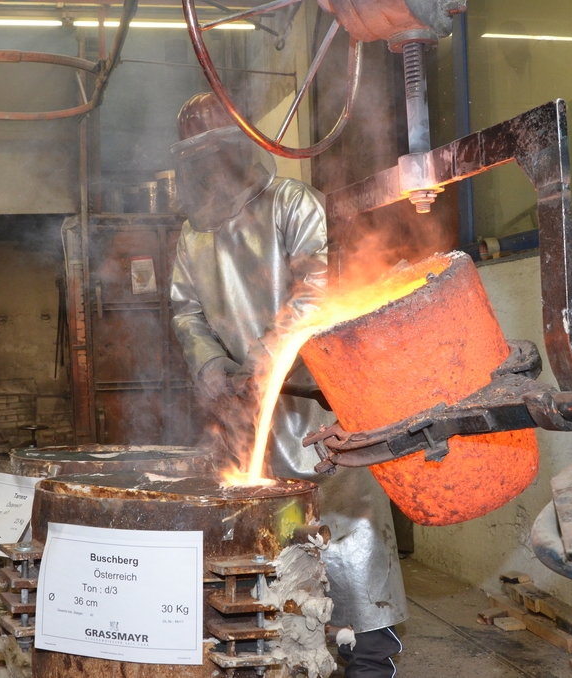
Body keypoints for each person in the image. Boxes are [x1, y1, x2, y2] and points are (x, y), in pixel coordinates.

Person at [169, 93, 408, 678]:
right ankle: (272, 650)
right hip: (246, 418)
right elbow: (185, 311)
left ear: (239, 147)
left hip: (317, 404)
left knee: (346, 526)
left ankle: (371, 655)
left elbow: (314, 289)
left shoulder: (290, 203)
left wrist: (265, 361)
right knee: (265, 540)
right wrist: (209, 369)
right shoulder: (191, 236)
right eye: (199, 159)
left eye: (218, 153)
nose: (211, 169)